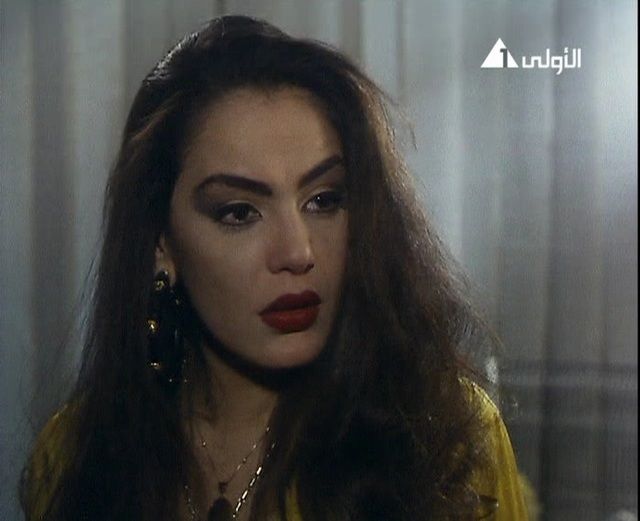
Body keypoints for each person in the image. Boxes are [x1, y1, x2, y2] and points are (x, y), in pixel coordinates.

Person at [20, 15, 528, 521]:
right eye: (240, 212)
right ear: (162, 244)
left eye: (324, 200)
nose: (298, 251)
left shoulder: (444, 444)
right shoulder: (73, 457)